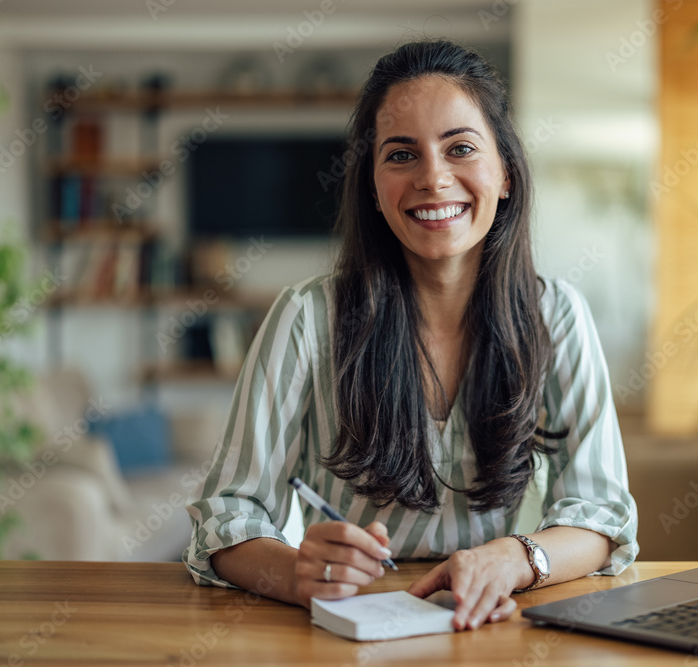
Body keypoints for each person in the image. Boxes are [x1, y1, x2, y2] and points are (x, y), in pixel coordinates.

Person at [184, 38, 638, 632]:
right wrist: (295, 573)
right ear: (373, 188)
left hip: (489, 628)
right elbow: (225, 517)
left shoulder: (558, 315)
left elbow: (603, 518)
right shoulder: (306, 317)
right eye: (401, 155)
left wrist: (517, 558)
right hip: (344, 634)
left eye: (461, 149)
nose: (433, 177)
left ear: (504, 173)